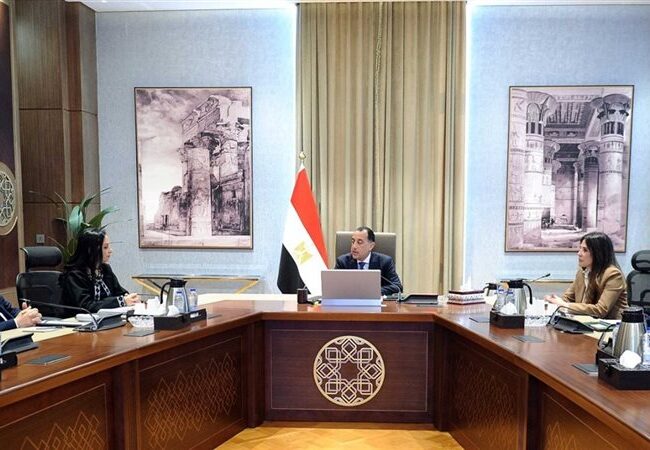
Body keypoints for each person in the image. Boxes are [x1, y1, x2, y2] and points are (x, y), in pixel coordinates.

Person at [544, 231, 628, 319]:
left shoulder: (613, 275)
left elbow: (600, 310)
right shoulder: (582, 272)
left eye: (585, 250)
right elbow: (568, 298)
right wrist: (553, 301)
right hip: (586, 323)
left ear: (598, 253)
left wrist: (564, 305)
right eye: (580, 248)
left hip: (610, 325)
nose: (579, 253)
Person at [60, 228, 140, 313]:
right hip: (80, 320)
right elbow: (86, 306)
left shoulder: (105, 269)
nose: (110, 250)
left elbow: (120, 292)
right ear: (91, 250)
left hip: (106, 318)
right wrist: (121, 301)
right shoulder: (74, 275)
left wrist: (130, 298)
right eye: (105, 247)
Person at [335, 226, 403, 296]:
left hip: (375, 301)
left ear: (371, 246)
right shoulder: (342, 262)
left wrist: (372, 291)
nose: (354, 246)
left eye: (359, 242)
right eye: (353, 241)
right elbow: (334, 287)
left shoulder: (385, 262)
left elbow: (397, 287)